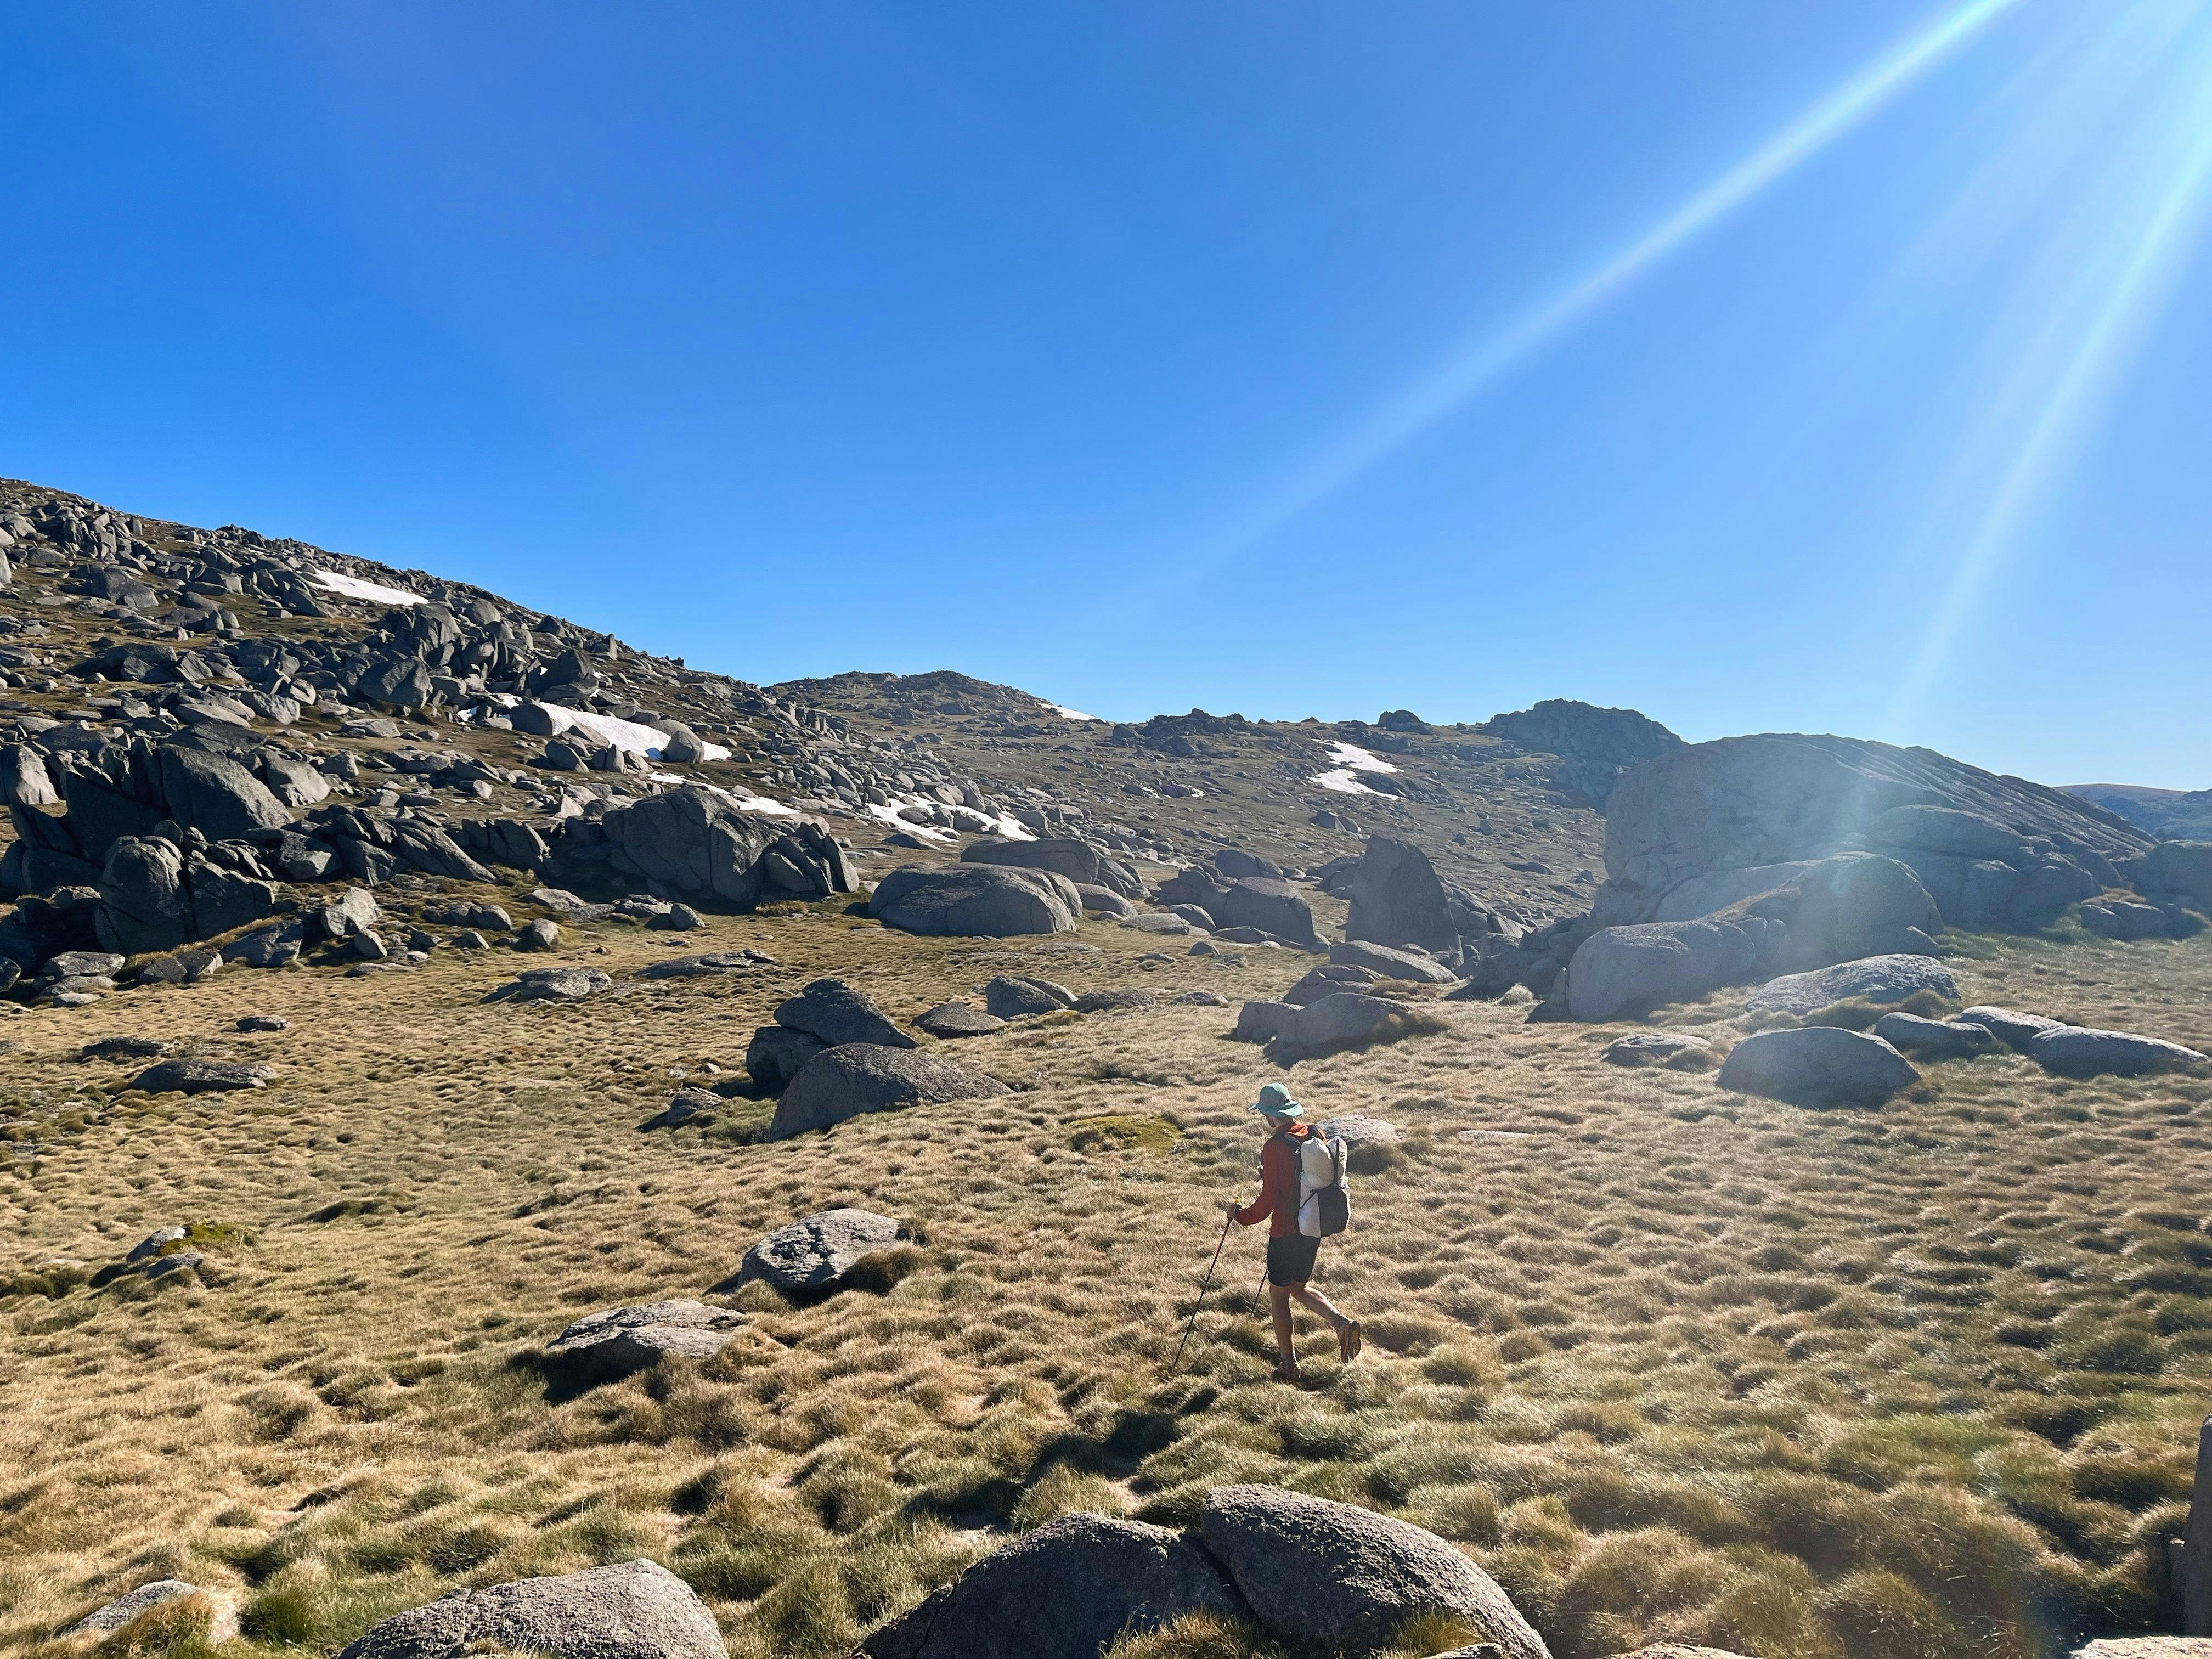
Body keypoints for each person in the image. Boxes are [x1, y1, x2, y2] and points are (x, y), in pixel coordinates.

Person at [1228, 1082, 1362, 1383]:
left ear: (1270, 1115)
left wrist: (1241, 1216)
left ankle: (1289, 1367)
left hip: (1286, 1233)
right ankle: (1340, 1323)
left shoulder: (1275, 1147)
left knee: (1279, 1296)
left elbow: (1267, 1201)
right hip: (1312, 1228)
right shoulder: (1315, 1134)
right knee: (1298, 1288)